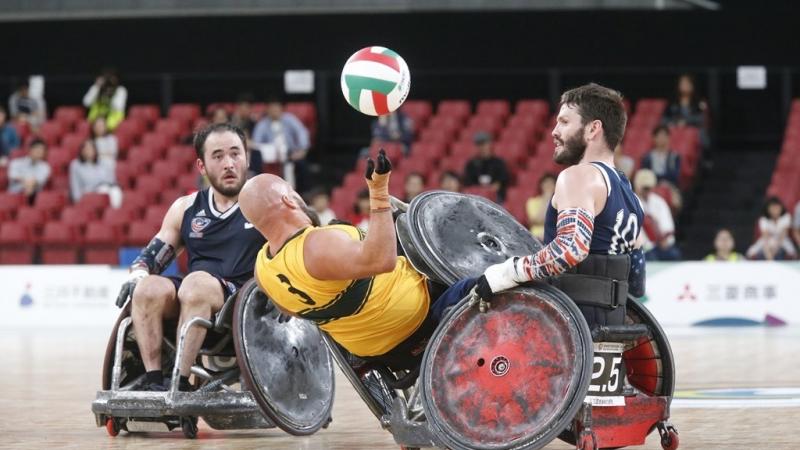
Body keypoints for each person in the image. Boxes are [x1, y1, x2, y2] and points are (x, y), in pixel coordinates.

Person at [239, 151, 476, 370]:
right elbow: (382, 261)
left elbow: (293, 310)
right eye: (294, 193)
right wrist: (379, 193)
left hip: (383, 355)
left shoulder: (263, 270)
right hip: (420, 326)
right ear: (290, 200)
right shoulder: (314, 245)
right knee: (481, 276)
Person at [476, 83, 646, 327]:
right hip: (611, 327)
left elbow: (571, 249)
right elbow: (637, 280)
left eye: (564, 122)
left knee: (457, 293)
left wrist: (508, 272)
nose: (554, 131)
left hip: (568, 325)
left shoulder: (578, 176)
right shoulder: (629, 194)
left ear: (592, 129)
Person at [114, 123, 266, 391]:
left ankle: (180, 382)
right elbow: (151, 257)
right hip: (193, 296)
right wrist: (138, 275)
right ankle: (153, 381)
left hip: (244, 301)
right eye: (218, 157)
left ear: (247, 157)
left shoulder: (267, 202)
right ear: (202, 166)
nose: (228, 163)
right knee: (147, 287)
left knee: (196, 283)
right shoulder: (185, 208)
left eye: (235, 154)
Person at [252, 97, 310, 191]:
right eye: (272, 108)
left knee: (302, 166)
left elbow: (302, 132)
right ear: (267, 109)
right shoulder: (262, 124)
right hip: (271, 157)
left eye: (276, 107)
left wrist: (302, 150)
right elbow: (256, 142)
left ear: (281, 108)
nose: (274, 110)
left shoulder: (289, 119)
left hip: (290, 153)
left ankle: (303, 193)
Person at [633, 169, 681, 261]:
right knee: (651, 257)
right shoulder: (631, 202)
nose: (647, 191)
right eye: (644, 188)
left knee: (674, 254)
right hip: (643, 247)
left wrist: (666, 240)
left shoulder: (658, 202)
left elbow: (668, 225)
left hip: (662, 244)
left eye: (649, 188)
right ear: (637, 186)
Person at [69, 140, 122, 208]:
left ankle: (114, 212)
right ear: (81, 151)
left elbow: (110, 180)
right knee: (105, 190)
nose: (89, 151)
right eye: (86, 149)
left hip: (105, 189)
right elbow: (75, 185)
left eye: (91, 149)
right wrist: (78, 200)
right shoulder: (76, 165)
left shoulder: (103, 163)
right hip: (89, 193)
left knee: (115, 190)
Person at [662, 73, 709, 148]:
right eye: (682, 83)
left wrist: (686, 122)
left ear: (692, 85)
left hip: (693, 132)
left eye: (687, 83)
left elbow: (702, 119)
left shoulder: (698, 103)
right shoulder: (672, 102)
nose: (685, 86)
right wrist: (675, 123)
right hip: (675, 131)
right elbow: (664, 119)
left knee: (702, 135)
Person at [463, 131, 510, 202]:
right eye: (479, 145)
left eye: (484, 144)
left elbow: (502, 181)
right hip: (477, 197)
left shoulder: (499, 163)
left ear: (490, 144)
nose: (482, 147)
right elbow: (468, 182)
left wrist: (490, 190)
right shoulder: (471, 164)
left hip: (495, 198)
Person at [746, 196, 796, 260]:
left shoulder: (786, 217)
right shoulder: (763, 219)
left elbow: (783, 236)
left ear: (781, 207)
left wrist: (774, 251)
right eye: (772, 208)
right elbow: (765, 237)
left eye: (777, 208)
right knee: (751, 252)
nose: (775, 210)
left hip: (782, 240)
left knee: (792, 251)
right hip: (768, 239)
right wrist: (768, 255)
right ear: (768, 209)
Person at [7, 139, 50, 203]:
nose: (39, 152)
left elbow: (39, 181)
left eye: (42, 150)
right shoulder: (16, 163)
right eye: (37, 149)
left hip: (34, 197)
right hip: (14, 195)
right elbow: (12, 175)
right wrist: (26, 181)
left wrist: (29, 184)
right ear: (30, 150)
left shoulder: (45, 167)